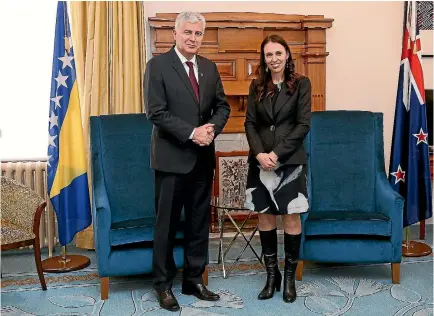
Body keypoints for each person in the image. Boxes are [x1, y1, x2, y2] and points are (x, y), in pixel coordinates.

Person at [144, 11, 230, 312]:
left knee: (198, 224)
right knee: (166, 226)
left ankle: (193, 279)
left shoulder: (209, 67)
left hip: (202, 160)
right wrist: (192, 132)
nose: (193, 38)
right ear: (175, 34)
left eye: (198, 34)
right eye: (188, 33)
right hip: (170, 160)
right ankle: (163, 285)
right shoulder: (157, 66)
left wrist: (211, 130)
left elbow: (222, 106)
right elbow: (155, 112)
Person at [244, 34, 311, 303]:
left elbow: (303, 124)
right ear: (264, 58)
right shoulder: (256, 85)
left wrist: (275, 153)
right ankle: (272, 277)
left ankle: (290, 279)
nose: (273, 59)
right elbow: (250, 123)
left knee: (291, 219)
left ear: (287, 55)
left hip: (290, 162)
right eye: (268, 55)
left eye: (278, 53)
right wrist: (260, 153)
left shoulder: (301, 84)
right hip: (260, 162)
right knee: (265, 217)